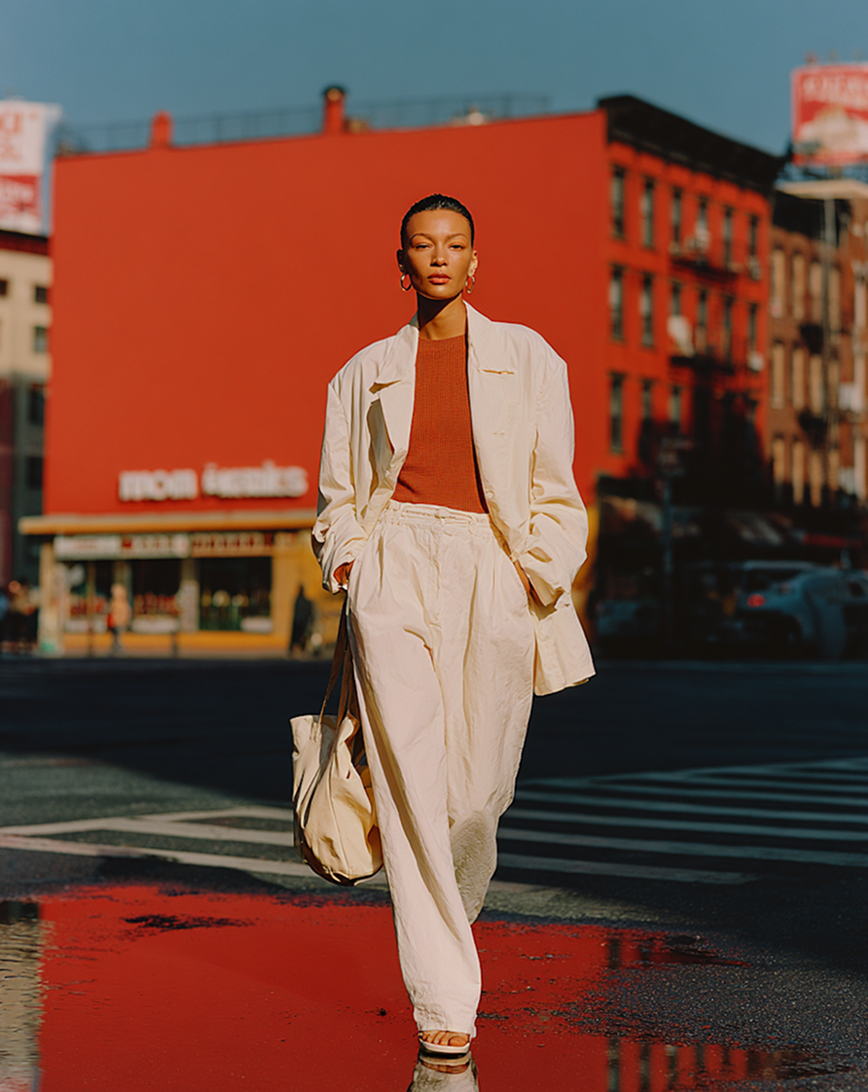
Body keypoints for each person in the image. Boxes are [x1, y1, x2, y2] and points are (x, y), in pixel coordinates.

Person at [312, 194, 594, 1062]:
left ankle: (448, 912)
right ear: (402, 265)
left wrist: (529, 573)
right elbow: (337, 499)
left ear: (478, 260)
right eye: (423, 247)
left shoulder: (529, 358)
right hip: (395, 566)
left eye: (456, 244)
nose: (440, 258)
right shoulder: (361, 373)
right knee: (408, 782)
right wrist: (355, 567)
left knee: (475, 792)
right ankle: (445, 1002)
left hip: (491, 570)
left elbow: (555, 488)